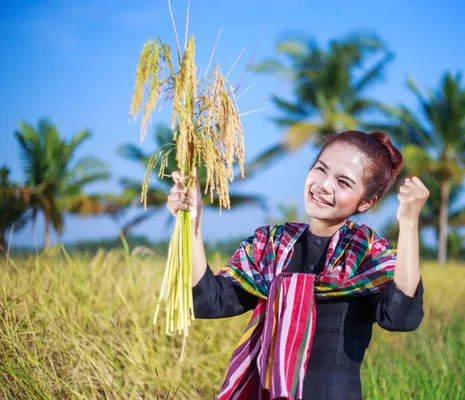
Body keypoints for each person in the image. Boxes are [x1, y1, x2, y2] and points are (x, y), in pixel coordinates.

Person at [167, 130, 430, 400]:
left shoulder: (367, 256)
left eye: (343, 182)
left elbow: (401, 318)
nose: (324, 185)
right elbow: (207, 301)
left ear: (366, 202)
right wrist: (191, 223)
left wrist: (409, 224)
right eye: (321, 169)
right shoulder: (270, 247)